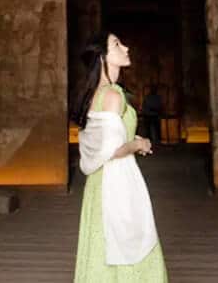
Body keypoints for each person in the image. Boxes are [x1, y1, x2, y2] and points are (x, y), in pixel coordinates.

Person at [72, 31, 169, 282]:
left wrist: (132, 142)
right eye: (116, 44)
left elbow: (104, 143)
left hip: (98, 183)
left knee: (102, 245)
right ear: (102, 57)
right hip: (116, 181)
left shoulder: (98, 93)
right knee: (130, 241)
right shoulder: (113, 96)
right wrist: (138, 144)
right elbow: (113, 151)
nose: (125, 48)